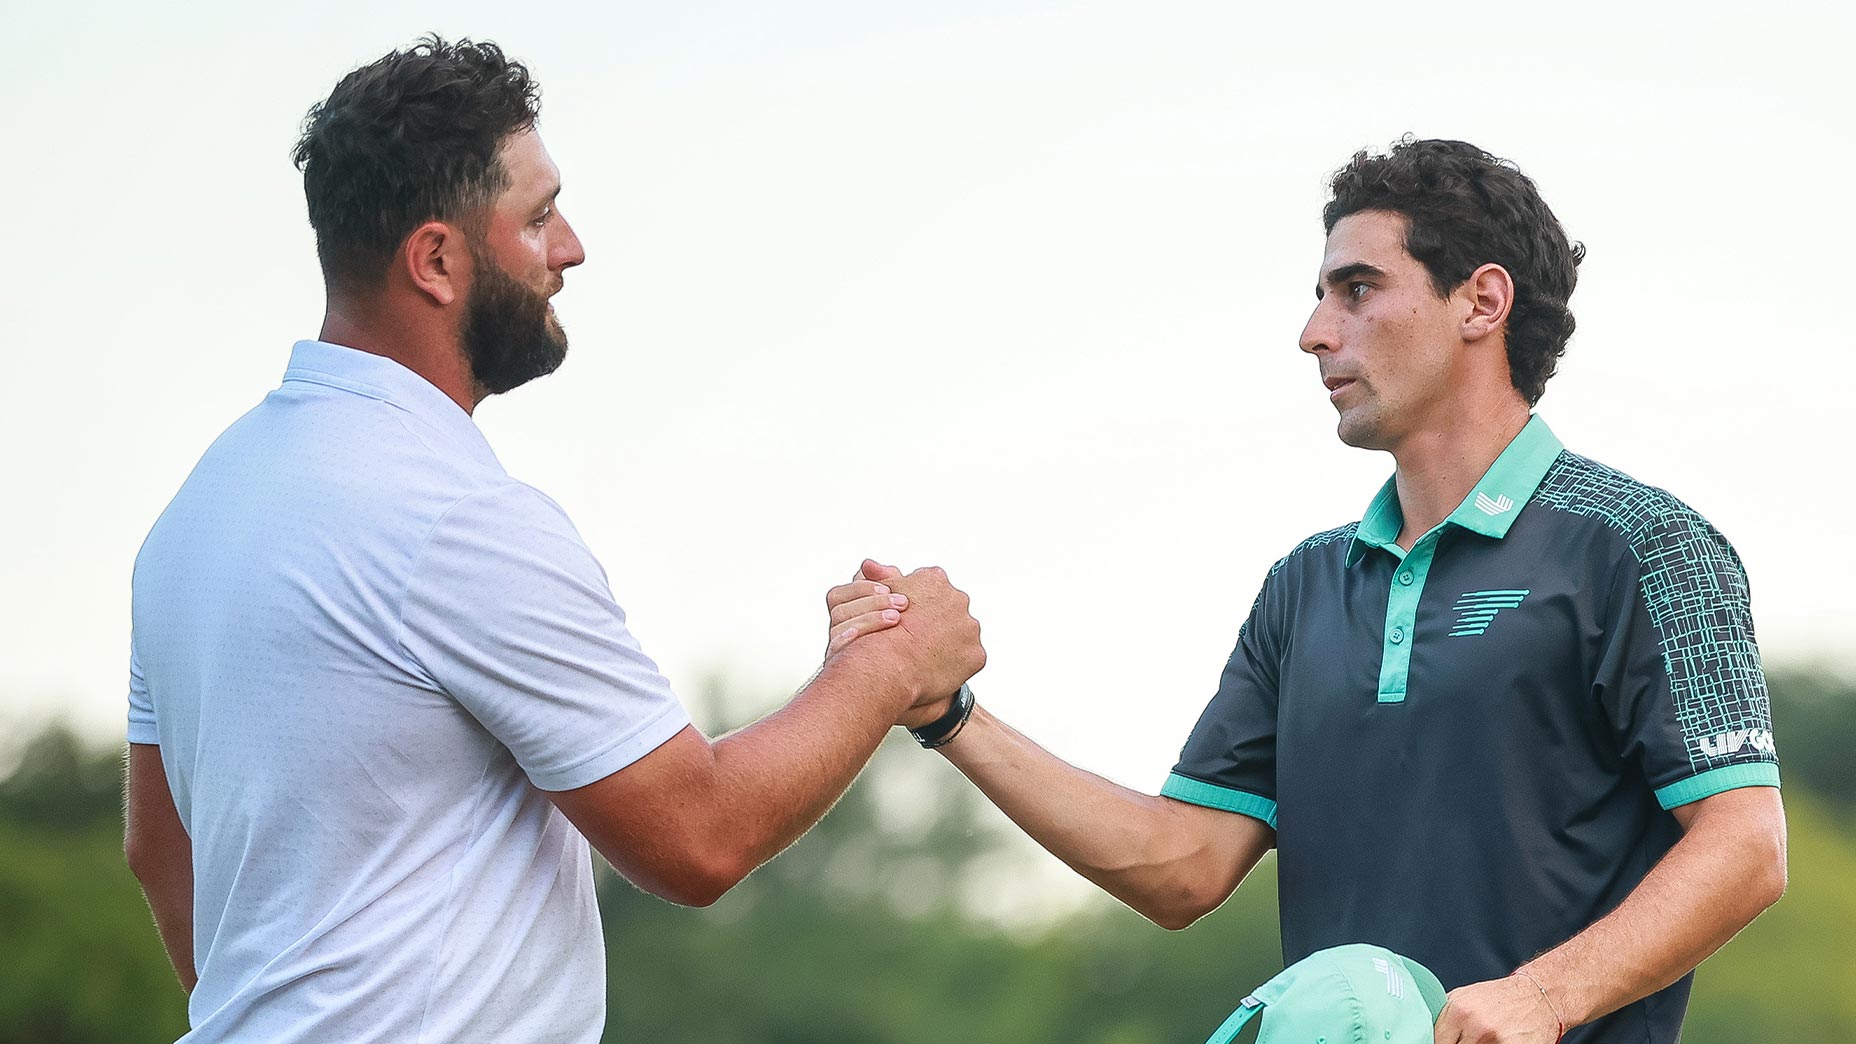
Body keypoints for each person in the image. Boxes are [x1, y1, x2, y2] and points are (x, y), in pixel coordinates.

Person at [121, 37, 985, 1044]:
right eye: (535, 220)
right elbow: (697, 837)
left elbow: (157, 850)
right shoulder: (454, 520)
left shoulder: (199, 512)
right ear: (436, 261)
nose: (569, 248)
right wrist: (890, 665)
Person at [839, 138, 1786, 1044]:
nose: (1314, 333)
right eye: (1320, 296)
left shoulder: (1645, 544)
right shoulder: (1305, 584)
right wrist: (951, 715)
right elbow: (1185, 867)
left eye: (1359, 289)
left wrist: (1547, 994)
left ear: (1482, 302)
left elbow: (1745, 845)